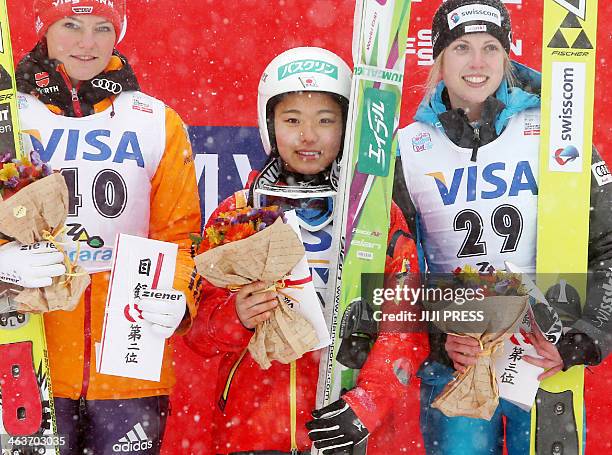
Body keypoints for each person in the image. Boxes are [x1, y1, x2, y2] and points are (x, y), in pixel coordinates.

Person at [185, 46, 428, 454]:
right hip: (253, 427)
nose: (308, 136)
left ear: (348, 127)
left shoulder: (377, 216)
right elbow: (198, 331)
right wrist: (235, 317)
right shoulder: (239, 214)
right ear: (269, 125)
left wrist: (367, 404)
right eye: (292, 120)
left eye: (326, 121)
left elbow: (405, 324)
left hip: (345, 426)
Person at [393, 0, 612, 453]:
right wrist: (440, 334)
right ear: (438, 57)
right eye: (461, 48)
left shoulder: (556, 131)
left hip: (545, 357)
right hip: (458, 365)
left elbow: (608, 244)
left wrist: (583, 340)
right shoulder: (409, 150)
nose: (477, 63)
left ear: (507, 55)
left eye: (491, 47)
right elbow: (394, 269)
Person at [0, 1, 201, 453]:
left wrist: (178, 295)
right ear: (44, 30)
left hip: (129, 363)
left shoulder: (155, 121)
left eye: (102, 27)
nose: (87, 43)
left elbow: (180, 234)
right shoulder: (10, 117)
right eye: (71, 25)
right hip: (28, 352)